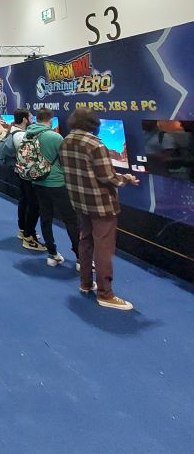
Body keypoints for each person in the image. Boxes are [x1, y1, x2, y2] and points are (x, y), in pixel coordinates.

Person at [60, 109, 139, 309]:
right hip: (101, 204)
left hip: (79, 201)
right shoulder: (96, 144)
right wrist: (126, 179)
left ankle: (86, 283)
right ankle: (105, 294)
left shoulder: (65, 141)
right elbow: (108, 177)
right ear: (93, 123)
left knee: (85, 241)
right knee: (103, 247)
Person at [23, 109, 80, 268]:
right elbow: (65, 160)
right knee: (71, 219)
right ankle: (81, 258)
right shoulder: (55, 136)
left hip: (38, 182)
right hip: (57, 183)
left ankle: (52, 254)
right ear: (51, 119)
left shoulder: (28, 134)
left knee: (46, 218)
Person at [0, 109, 45, 250]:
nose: (32, 119)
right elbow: (29, 156)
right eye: (30, 117)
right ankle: (28, 235)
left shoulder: (13, 131)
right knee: (32, 203)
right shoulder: (22, 136)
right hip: (25, 173)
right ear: (25, 119)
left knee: (24, 199)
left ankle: (23, 230)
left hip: (19, 171)